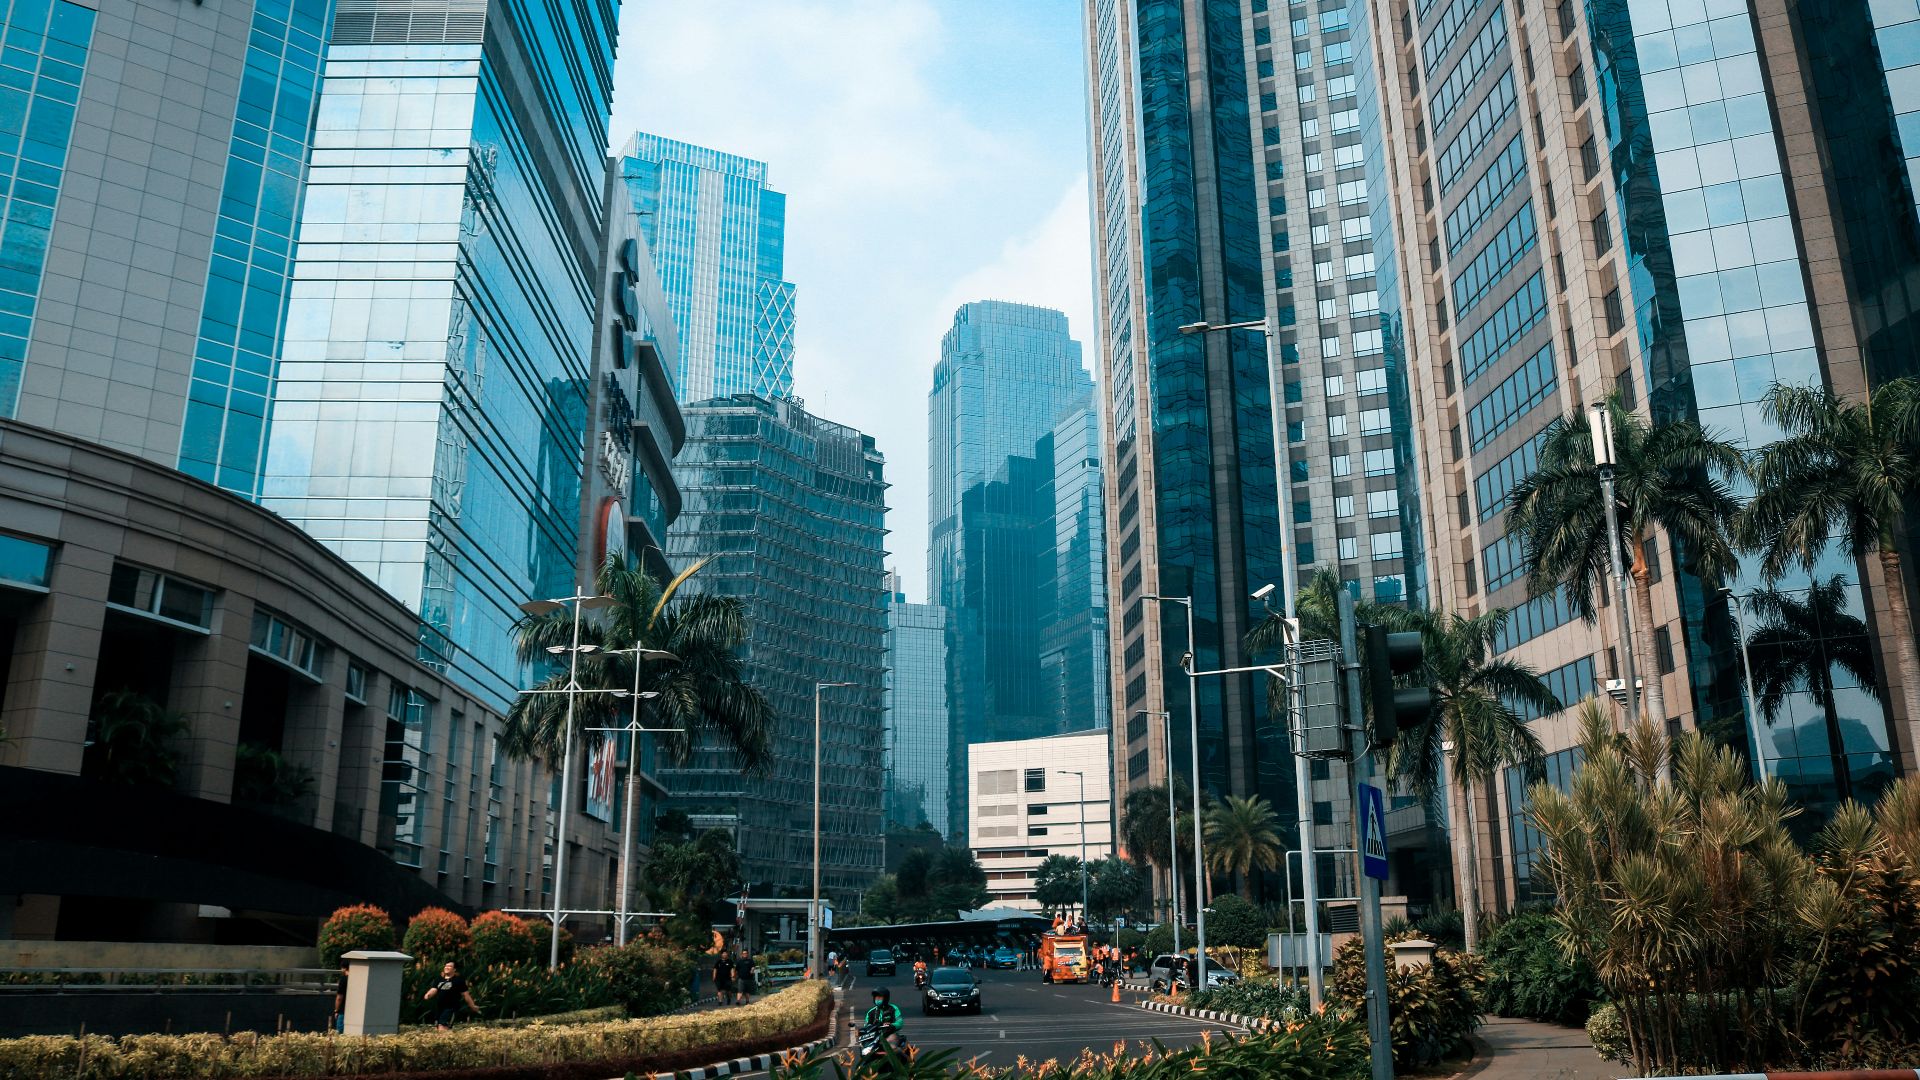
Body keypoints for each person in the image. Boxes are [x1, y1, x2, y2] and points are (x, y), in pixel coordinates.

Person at [422, 961, 477, 1028]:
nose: (446, 967)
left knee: (442, 1026)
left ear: (454, 969)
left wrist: (472, 1006)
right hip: (439, 1008)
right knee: (439, 1028)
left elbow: (466, 995)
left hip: (451, 1008)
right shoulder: (439, 979)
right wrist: (428, 994)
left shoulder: (458, 981)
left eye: (449, 966)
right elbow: (434, 989)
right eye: (446, 966)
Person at [863, 987, 905, 1053]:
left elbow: (900, 1022)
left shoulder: (893, 1009)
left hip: (890, 1035)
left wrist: (892, 1025)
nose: (877, 1000)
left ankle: (900, 1061)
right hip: (874, 1037)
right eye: (876, 998)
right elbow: (866, 1026)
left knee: (892, 1049)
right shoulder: (871, 1012)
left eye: (880, 998)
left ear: (885, 998)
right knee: (865, 1050)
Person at [333, 966, 349, 1033]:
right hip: (356, 1011)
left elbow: (339, 997)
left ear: (345, 968)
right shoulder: (358, 978)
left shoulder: (343, 979)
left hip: (343, 1010)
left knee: (340, 1032)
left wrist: (336, 1010)